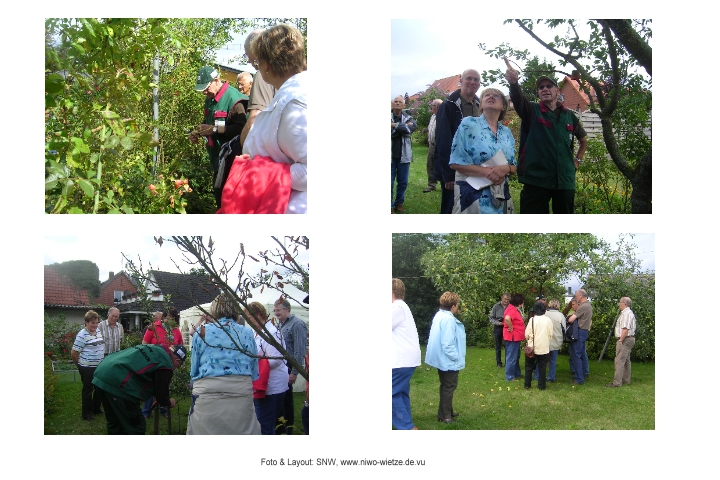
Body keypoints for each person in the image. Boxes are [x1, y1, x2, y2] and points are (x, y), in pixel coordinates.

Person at [228, 24, 306, 214]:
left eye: (256, 63)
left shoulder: (294, 102)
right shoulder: (290, 94)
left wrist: (259, 173)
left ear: (266, 66)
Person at [504, 59, 588, 213]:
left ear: (557, 91)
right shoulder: (531, 110)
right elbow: (518, 100)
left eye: (549, 86)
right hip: (537, 179)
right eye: (541, 87)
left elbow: (583, 140)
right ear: (538, 93)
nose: (544, 89)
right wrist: (514, 84)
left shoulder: (569, 116)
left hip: (564, 180)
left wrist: (577, 160)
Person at [188, 293, 260, 434]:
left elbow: (194, 370)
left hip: (207, 393)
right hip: (240, 393)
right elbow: (253, 369)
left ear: (213, 310)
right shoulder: (247, 333)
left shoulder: (202, 332)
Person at [92, 344, 187, 434]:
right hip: (116, 381)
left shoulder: (155, 348)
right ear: (177, 360)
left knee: (115, 422)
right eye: (179, 365)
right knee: (136, 427)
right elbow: (161, 395)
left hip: (101, 373)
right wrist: (169, 402)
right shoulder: (166, 364)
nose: (176, 367)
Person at [449, 87, 516, 214]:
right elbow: (455, 162)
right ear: (480, 106)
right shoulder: (468, 124)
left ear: (503, 106)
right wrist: (490, 173)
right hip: (473, 196)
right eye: (486, 95)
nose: (491, 96)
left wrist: (506, 169)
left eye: (496, 96)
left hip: (500, 197)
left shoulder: (507, 132)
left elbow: (514, 165)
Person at [189, 66, 247, 208]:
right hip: (216, 158)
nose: (204, 92)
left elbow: (242, 129)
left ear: (216, 80)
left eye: (206, 88)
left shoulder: (235, 100)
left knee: (227, 202)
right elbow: (209, 121)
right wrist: (197, 131)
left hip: (231, 162)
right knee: (219, 199)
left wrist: (213, 129)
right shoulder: (210, 98)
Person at [434, 69, 481, 214]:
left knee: (469, 206)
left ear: (479, 84)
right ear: (461, 80)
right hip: (454, 168)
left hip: (475, 167)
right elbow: (443, 141)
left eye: (476, 80)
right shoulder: (449, 105)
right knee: (451, 206)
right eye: (469, 78)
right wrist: (448, 174)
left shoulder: (480, 105)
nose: (472, 82)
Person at [245, 302, 289, 434]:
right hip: (261, 383)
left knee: (264, 424)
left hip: (272, 386)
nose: (248, 321)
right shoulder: (256, 332)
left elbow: (276, 360)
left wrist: (254, 363)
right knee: (262, 422)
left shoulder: (272, 333)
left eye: (249, 318)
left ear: (258, 315)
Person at [425, 291, 466, 424]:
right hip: (448, 359)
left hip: (441, 358)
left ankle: (445, 411)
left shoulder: (439, 315)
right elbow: (447, 343)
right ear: (453, 306)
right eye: (457, 305)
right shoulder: (448, 319)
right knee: (449, 386)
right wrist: (456, 357)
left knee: (445, 386)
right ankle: (446, 416)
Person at [273, 297, 308, 434]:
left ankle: (288, 429)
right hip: (281, 365)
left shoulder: (296, 324)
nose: (276, 313)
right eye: (274, 310)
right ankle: (281, 426)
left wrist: (294, 372)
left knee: (287, 400)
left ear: (288, 309)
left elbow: (299, 350)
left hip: (289, 365)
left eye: (278, 310)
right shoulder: (281, 324)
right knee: (281, 397)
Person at [141, 309, 183, 419]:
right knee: (150, 385)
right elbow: (144, 344)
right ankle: (146, 411)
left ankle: (164, 409)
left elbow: (179, 345)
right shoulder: (154, 327)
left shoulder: (176, 330)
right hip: (154, 362)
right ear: (163, 317)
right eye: (167, 318)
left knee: (164, 386)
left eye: (172, 319)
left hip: (168, 365)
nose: (169, 320)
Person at [392, 278, 421, 430]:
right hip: (405, 360)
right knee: (400, 393)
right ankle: (407, 423)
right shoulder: (401, 306)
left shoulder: (396, 308)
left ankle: (408, 428)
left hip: (400, 361)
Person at [239, 29, 277, 147]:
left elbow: (254, 121)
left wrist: (241, 147)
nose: (248, 60)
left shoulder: (263, 74)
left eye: (247, 53)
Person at [71, 310, 105, 420]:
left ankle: (96, 409)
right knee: (88, 390)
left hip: (98, 367)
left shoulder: (98, 331)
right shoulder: (82, 334)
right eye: (92, 323)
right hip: (87, 368)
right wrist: (80, 366)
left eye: (96, 322)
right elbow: (74, 352)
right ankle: (87, 414)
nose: (95, 325)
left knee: (99, 389)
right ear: (86, 322)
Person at [391, 96, 417, 213]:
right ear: (392, 103)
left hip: (404, 156)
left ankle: (399, 203)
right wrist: (402, 128)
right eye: (395, 101)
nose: (397, 103)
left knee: (403, 182)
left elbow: (410, 129)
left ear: (404, 105)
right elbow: (404, 129)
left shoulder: (409, 117)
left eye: (399, 102)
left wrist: (394, 125)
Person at [606, 297, 637, 387]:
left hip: (625, 339)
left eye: (620, 302)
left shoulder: (626, 314)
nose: (618, 304)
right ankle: (626, 380)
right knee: (626, 360)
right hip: (629, 338)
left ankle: (617, 383)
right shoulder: (627, 313)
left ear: (624, 303)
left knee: (619, 360)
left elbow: (625, 329)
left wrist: (620, 340)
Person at [524, 302, 553, 390]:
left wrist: (529, 341)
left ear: (535, 310)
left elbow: (526, 334)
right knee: (542, 367)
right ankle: (542, 386)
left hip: (532, 347)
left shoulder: (532, 320)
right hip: (543, 347)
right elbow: (550, 334)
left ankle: (527, 384)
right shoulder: (548, 320)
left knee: (529, 366)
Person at [567, 289, 592, 384]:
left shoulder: (583, 306)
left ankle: (579, 378)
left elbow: (571, 320)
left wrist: (569, 317)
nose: (576, 297)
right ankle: (584, 373)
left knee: (576, 355)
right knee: (581, 354)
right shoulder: (588, 305)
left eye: (576, 296)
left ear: (581, 296)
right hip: (584, 331)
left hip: (580, 332)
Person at [540, 299, 566, 382]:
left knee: (541, 359)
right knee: (553, 360)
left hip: (545, 340)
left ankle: (537, 375)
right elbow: (564, 329)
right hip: (556, 340)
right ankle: (551, 377)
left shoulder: (544, 314)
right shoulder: (561, 315)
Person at [503, 293, 526, 381]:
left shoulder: (512, 308)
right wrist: (511, 327)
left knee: (515, 356)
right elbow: (507, 318)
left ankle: (517, 373)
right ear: (520, 303)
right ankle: (510, 376)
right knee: (512, 357)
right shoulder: (512, 309)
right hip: (512, 337)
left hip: (515, 337)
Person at [423, 99, 443, 193]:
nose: (431, 107)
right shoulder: (433, 116)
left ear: (437, 107)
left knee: (441, 165)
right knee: (430, 164)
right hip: (431, 145)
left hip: (440, 146)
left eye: (432, 105)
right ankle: (431, 185)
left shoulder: (443, 116)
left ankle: (444, 184)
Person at [489, 293, 510, 368]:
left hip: (507, 327)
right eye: (505, 299)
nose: (506, 301)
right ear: (502, 298)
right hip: (498, 327)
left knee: (507, 345)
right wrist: (498, 323)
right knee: (498, 346)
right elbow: (491, 318)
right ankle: (499, 363)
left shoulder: (510, 306)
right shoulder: (496, 306)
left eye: (508, 299)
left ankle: (507, 362)